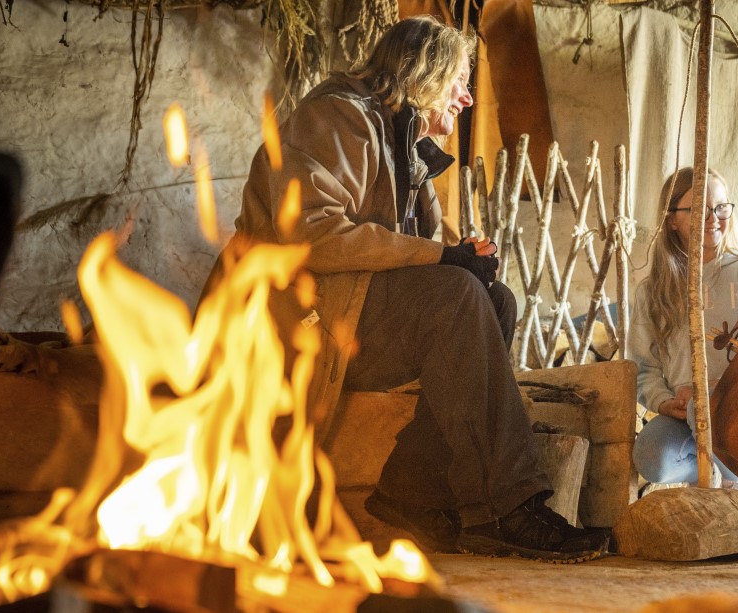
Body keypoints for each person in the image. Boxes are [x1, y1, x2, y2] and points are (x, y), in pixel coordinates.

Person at [208, 16, 608, 563]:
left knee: (494, 299)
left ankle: (414, 496)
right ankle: (503, 509)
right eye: (459, 81)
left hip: (340, 316)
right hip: (283, 323)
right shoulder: (335, 117)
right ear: (425, 73)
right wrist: (444, 258)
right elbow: (314, 236)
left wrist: (464, 257)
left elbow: (419, 256)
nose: (467, 98)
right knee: (456, 298)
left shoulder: (407, 148)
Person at [628, 167, 738, 491]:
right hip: (683, 413)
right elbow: (643, 366)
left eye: (720, 207)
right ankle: (714, 468)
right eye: (698, 210)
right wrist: (664, 401)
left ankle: (737, 489)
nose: (713, 217)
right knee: (652, 456)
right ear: (672, 219)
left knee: (703, 402)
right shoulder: (653, 291)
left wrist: (716, 389)